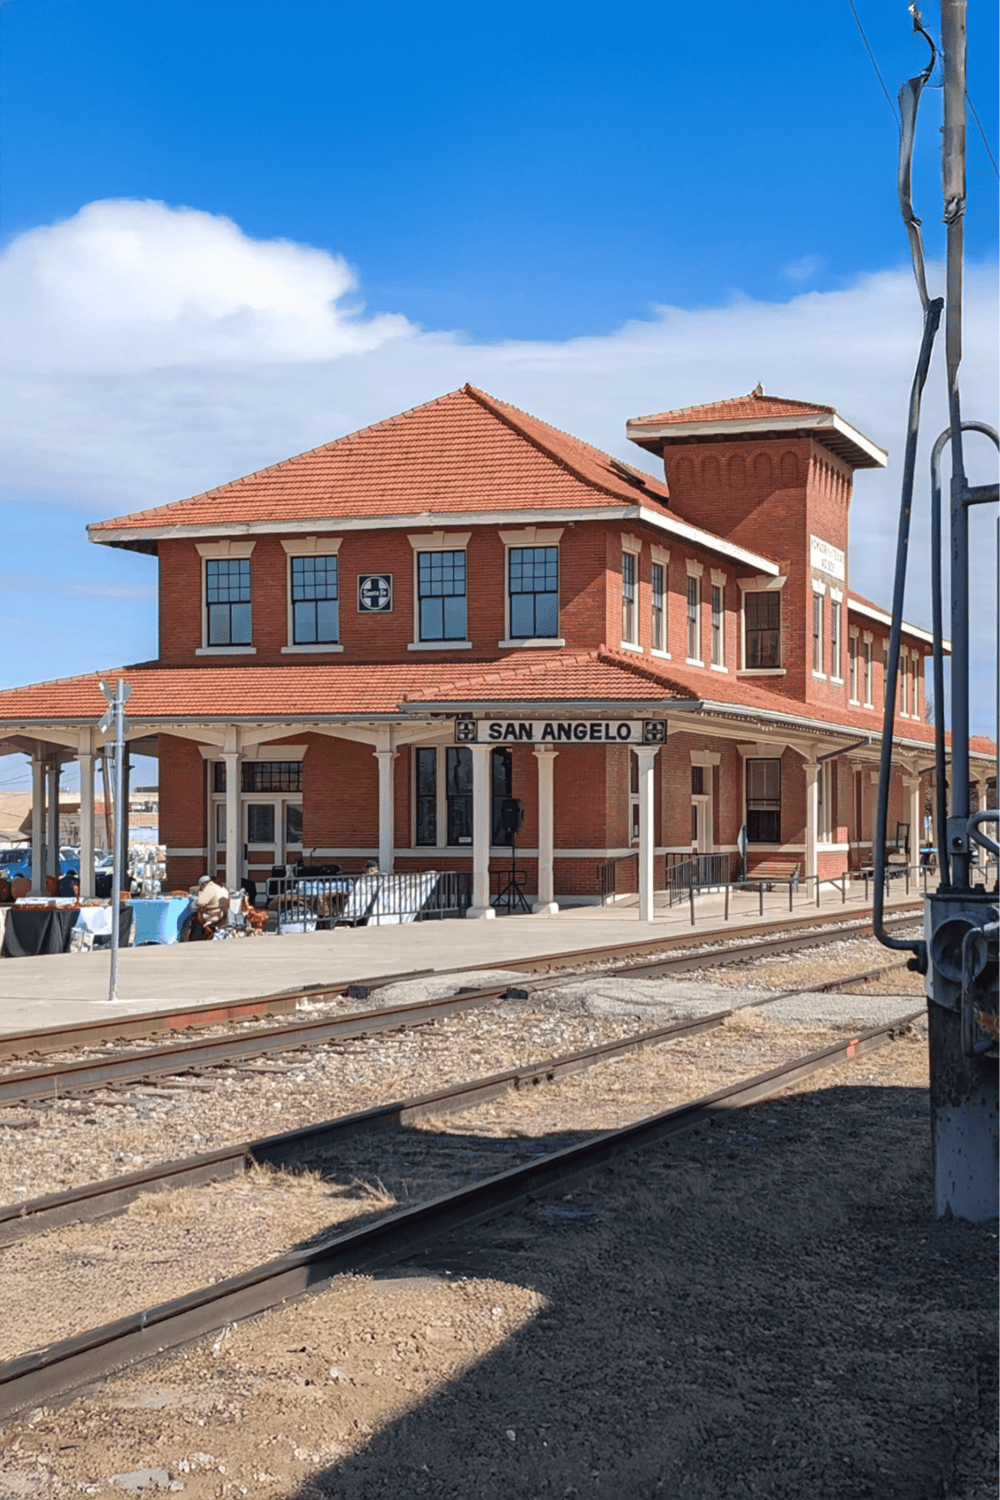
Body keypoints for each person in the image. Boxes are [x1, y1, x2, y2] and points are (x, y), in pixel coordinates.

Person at [188, 873, 229, 939]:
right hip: (223, 914)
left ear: (203, 884)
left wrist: (199, 894)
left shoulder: (210, 888)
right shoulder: (221, 887)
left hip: (213, 915)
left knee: (196, 917)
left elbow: (200, 902)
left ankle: (195, 938)